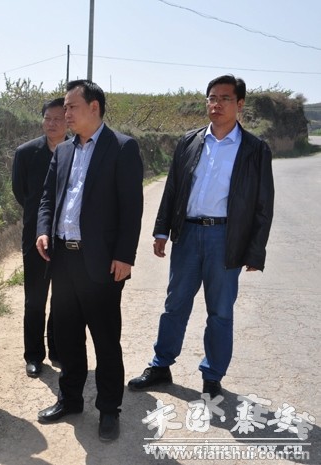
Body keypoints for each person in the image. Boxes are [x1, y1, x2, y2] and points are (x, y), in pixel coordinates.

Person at [128, 75, 274, 398]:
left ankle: (212, 376)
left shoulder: (254, 149)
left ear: (239, 104)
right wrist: (161, 230)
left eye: (224, 98)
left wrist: (255, 251)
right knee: (175, 304)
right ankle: (161, 365)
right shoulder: (190, 141)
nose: (216, 104)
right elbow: (173, 187)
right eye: (212, 98)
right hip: (188, 234)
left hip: (226, 238)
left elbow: (264, 205)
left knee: (220, 311)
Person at [35, 80, 143, 441]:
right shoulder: (64, 151)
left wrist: (124, 255)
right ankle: (70, 399)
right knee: (67, 335)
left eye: (72, 107)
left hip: (101, 262)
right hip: (63, 258)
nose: (65, 113)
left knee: (105, 339)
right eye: (65, 108)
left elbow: (132, 207)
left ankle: (109, 409)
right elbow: (48, 198)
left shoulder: (122, 147)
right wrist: (43, 230)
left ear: (94, 107)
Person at [12, 98, 68, 378]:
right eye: (48, 118)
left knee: (63, 297)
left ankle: (57, 348)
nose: (52, 124)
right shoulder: (26, 153)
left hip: (69, 236)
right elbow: (20, 192)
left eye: (58, 118)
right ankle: (34, 355)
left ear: (68, 120)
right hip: (35, 235)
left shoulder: (78, 151)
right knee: (34, 298)